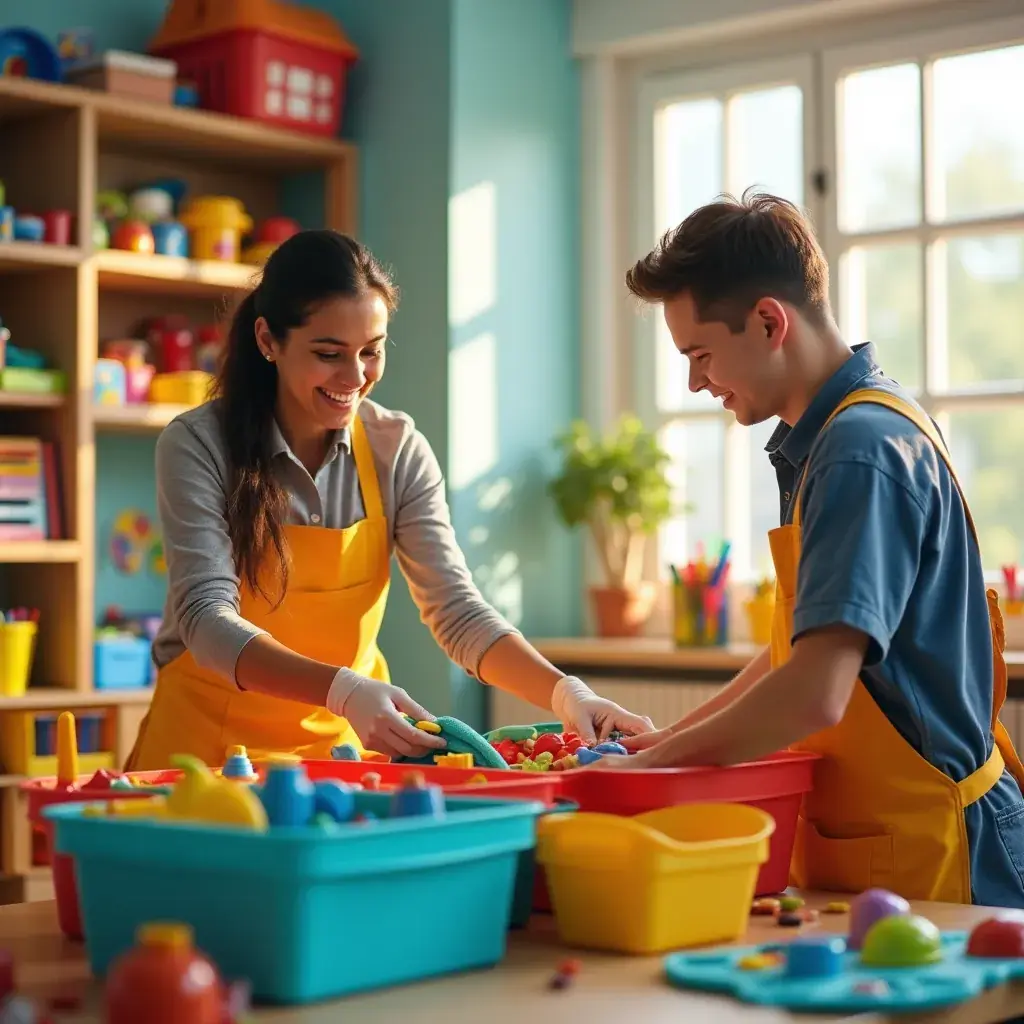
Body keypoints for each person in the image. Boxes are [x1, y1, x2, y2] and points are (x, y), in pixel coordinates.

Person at [594, 191, 1024, 908]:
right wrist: (667, 738)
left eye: (700, 354)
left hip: (946, 858)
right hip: (889, 846)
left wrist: (653, 771)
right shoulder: (839, 435)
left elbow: (816, 691)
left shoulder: (860, 452)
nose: (695, 381)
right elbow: (805, 648)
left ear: (769, 322)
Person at [125, 229, 652, 771]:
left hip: (341, 755)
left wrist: (567, 694)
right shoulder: (198, 444)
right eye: (328, 353)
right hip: (204, 757)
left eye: (371, 352)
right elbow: (207, 620)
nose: (354, 378)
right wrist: (344, 690)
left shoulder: (395, 450)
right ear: (268, 340)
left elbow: (456, 610)